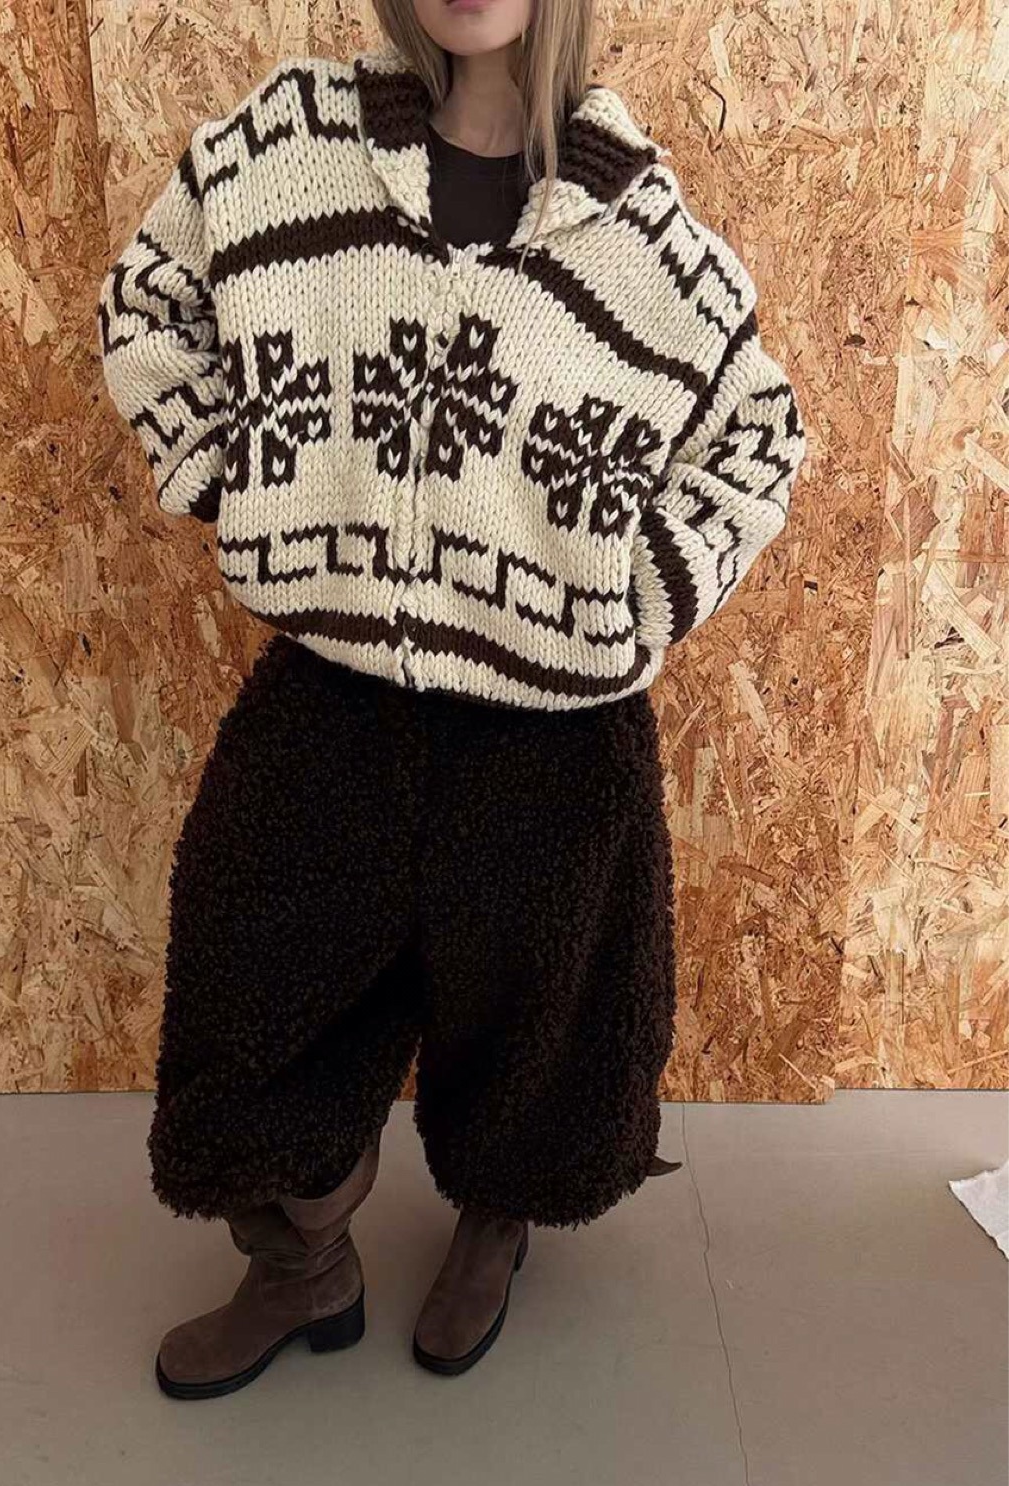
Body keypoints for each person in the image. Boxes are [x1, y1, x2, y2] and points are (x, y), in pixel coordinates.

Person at [97, 0, 807, 1395]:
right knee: (252, 984)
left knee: (539, 1013)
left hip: (554, 728)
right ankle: (301, 1262)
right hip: (338, 687)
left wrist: (631, 600)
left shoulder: (639, 227)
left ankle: (498, 1219)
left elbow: (758, 438)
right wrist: (243, 488)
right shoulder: (287, 148)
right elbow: (147, 306)